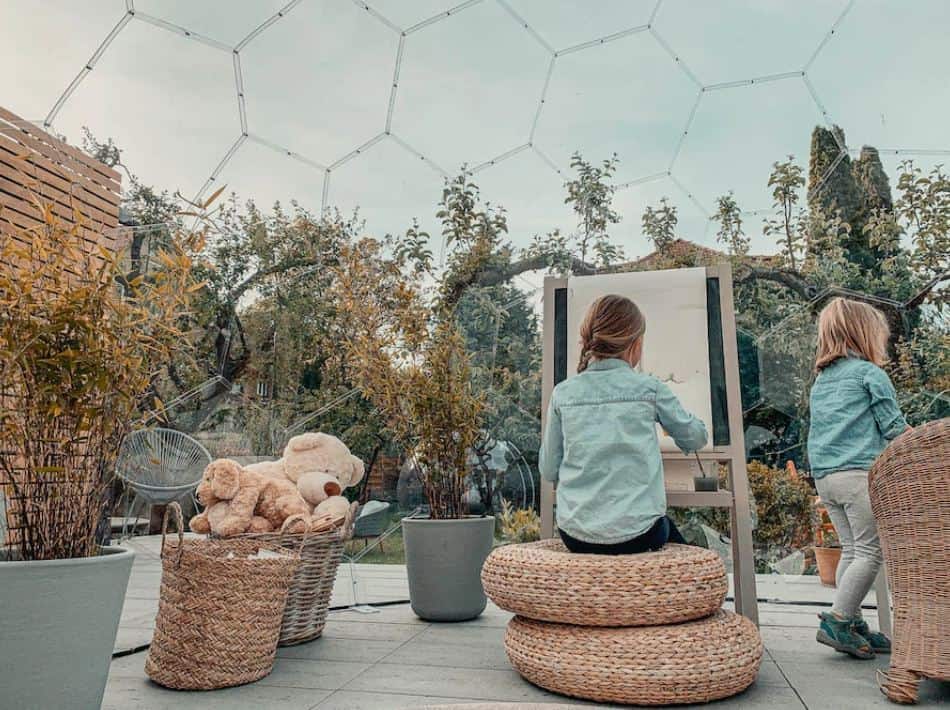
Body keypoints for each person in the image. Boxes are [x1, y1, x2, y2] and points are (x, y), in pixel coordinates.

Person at [539, 294, 707, 555]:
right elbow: (696, 438)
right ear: (636, 344)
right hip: (640, 534)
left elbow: (549, 470)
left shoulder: (563, 393)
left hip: (575, 534)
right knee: (680, 547)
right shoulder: (649, 389)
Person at [808, 297, 909, 659]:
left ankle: (851, 622)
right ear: (867, 335)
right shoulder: (870, 374)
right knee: (871, 551)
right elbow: (894, 427)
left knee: (851, 549)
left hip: (826, 478)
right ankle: (837, 619)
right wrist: (922, 442)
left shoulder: (822, 380)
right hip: (858, 476)